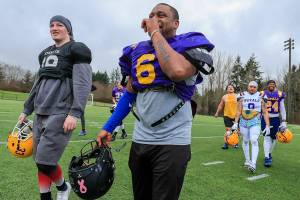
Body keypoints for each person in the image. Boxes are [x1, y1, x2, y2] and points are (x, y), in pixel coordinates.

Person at [97, 3, 214, 200]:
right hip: (141, 139)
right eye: (151, 15)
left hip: (173, 141)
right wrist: (108, 127)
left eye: (161, 15)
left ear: (176, 23)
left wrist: (154, 33)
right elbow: (130, 94)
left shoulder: (189, 45)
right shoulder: (139, 52)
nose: (154, 17)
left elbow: (176, 71)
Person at [17, 15, 92, 200]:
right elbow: (38, 83)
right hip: (40, 111)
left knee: (44, 160)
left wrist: (74, 113)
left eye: (59, 25)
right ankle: (54, 191)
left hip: (60, 111)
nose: (54, 28)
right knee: (40, 161)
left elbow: (82, 83)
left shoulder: (76, 49)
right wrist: (27, 109)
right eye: (51, 25)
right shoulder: (45, 53)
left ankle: (63, 187)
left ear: (68, 29)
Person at [231, 81, 270, 173]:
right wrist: (236, 122)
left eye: (254, 87)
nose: (252, 88)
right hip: (243, 121)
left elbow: (264, 111)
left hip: (255, 120)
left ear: (257, 88)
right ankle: (247, 160)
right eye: (250, 86)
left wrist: (268, 125)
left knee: (253, 140)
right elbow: (239, 110)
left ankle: (253, 163)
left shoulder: (261, 95)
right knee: (245, 140)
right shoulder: (242, 95)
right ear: (248, 87)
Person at [261, 80, 286, 167]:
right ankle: (267, 157)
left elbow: (282, 108)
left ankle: (269, 153)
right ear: (267, 85)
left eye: (273, 84)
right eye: (270, 84)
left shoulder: (280, 94)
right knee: (266, 137)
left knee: (274, 138)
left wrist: (284, 120)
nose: (271, 85)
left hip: (275, 118)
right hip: (265, 118)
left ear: (275, 85)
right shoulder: (262, 93)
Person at [215, 84, 238, 149]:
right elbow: (221, 105)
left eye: (232, 87)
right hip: (227, 115)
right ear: (227, 90)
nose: (230, 88)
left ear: (234, 89)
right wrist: (217, 112)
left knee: (235, 131)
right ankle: (226, 144)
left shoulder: (237, 96)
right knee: (228, 130)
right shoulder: (224, 97)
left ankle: (235, 142)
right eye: (229, 87)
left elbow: (241, 105)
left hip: (236, 116)